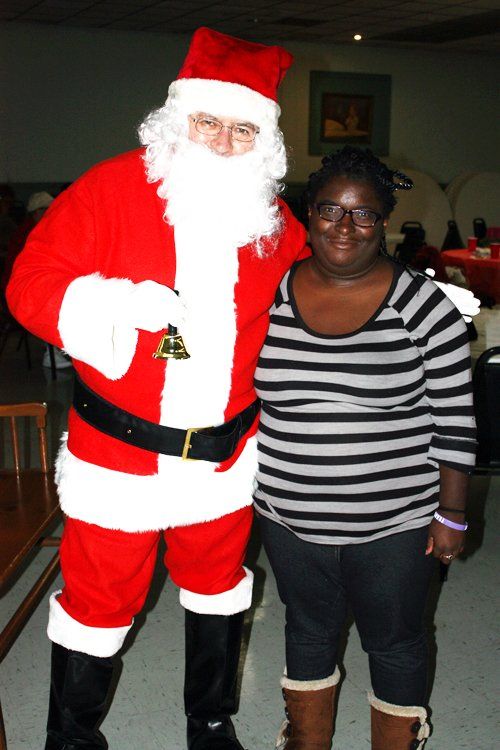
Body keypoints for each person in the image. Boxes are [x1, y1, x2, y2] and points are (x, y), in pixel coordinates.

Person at [6, 27, 307, 750]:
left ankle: (211, 720)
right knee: (97, 602)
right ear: (177, 119)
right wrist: (109, 303)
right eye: (208, 122)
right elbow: (29, 283)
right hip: (120, 457)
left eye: (243, 130)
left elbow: (318, 293)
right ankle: (71, 736)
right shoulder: (110, 188)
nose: (224, 143)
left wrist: (394, 299)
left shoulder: (271, 221)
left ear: (264, 142)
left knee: (220, 589)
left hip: (225, 459)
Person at [253, 146, 477, 750]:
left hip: (395, 525)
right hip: (288, 517)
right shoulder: (271, 294)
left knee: (396, 643)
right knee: (306, 633)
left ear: (384, 222)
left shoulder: (424, 306)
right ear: (308, 212)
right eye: (331, 209)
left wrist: (453, 514)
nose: (345, 226)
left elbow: (457, 421)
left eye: (364, 214)